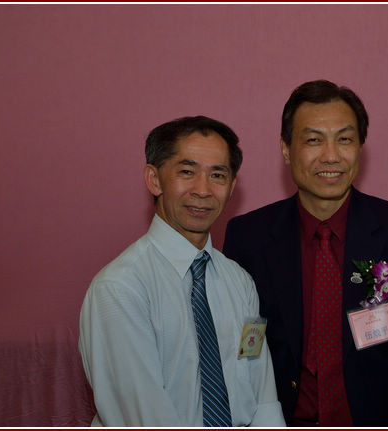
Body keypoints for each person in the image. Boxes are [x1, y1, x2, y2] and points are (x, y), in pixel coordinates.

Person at [223, 80, 388, 427]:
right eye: (313, 140)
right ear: (286, 149)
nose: (331, 155)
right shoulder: (248, 236)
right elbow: (248, 337)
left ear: (360, 147)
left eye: (345, 139)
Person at [79, 116, 285, 427]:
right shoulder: (120, 288)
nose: (203, 190)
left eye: (218, 175)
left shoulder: (240, 281)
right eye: (187, 172)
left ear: (231, 187)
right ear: (154, 179)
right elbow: (145, 416)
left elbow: (260, 386)